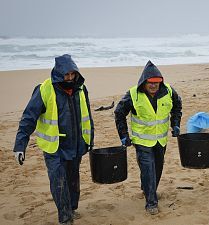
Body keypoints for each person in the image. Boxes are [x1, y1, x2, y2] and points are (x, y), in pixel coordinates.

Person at [13, 54, 94, 224]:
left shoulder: (81, 88)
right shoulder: (44, 89)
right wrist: (20, 145)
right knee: (59, 182)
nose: (70, 78)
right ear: (58, 73)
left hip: (76, 144)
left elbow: (88, 116)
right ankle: (65, 218)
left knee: (73, 180)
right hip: (54, 147)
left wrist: (90, 139)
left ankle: (71, 209)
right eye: (66, 75)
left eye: (73, 74)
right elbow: (28, 118)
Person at [114, 60, 182, 215]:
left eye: (156, 83)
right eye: (150, 83)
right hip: (142, 142)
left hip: (160, 141)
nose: (153, 86)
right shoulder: (132, 95)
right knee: (148, 170)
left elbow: (177, 106)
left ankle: (147, 189)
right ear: (144, 82)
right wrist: (123, 136)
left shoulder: (169, 92)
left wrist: (175, 124)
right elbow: (119, 114)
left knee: (157, 169)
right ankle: (151, 202)